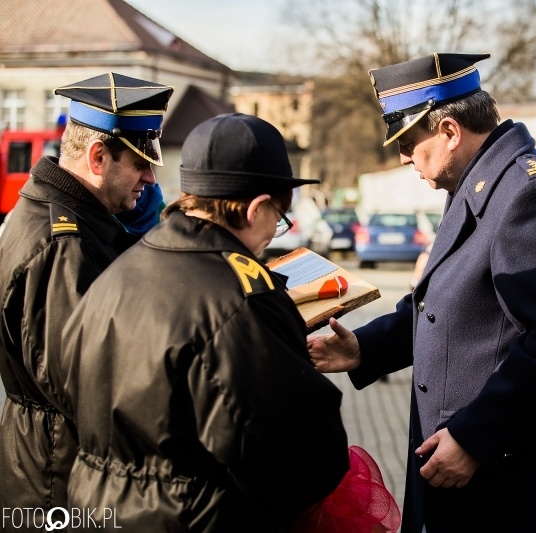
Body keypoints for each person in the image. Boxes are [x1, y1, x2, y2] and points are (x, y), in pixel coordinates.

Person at [309, 52, 536, 532]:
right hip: (479, 473)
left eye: (409, 142)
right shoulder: (473, 185)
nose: (404, 157)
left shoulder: (526, 193)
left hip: (518, 481)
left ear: (450, 132)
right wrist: (366, 348)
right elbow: (444, 306)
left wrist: (475, 437)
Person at [58, 113, 351, 531]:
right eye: (279, 219)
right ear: (254, 209)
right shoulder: (240, 301)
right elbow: (300, 462)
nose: (275, 232)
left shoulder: (120, 268)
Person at [0, 72, 173, 513]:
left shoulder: (66, 220)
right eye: (138, 163)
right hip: (58, 477)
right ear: (98, 157)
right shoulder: (65, 245)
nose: (150, 178)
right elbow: (86, 382)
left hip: (58, 463)